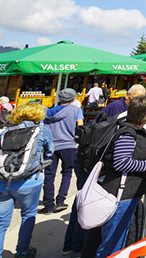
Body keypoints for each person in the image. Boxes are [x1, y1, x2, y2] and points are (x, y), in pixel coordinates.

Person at [88, 94, 146, 258]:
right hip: (120, 195)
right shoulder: (128, 133)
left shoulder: (134, 129)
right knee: (112, 245)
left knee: (117, 242)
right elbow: (121, 162)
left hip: (125, 194)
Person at [0, 102, 54, 258]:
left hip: (4, 180)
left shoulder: (5, 131)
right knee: (28, 215)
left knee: (2, 222)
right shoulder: (42, 130)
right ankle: (22, 252)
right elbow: (50, 152)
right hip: (30, 181)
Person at [41, 87, 84, 214]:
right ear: (73, 98)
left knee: (49, 175)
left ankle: (48, 204)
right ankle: (60, 200)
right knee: (67, 172)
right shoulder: (76, 110)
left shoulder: (47, 111)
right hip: (68, 145)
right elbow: (80, 127)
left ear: (59, 98)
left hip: (51, 146)